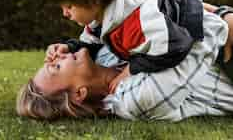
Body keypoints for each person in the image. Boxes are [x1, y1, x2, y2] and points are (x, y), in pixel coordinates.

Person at [43, 0, 233, 90]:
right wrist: (68, 47)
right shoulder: (103, 17)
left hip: (207, 29)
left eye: (69, 6)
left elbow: (176, 45)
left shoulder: (136, 21)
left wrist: (131, 69)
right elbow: (91, 43)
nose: (65, 14)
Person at [16, 11, 233, 121]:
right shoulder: (135, 98)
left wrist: (68, 45)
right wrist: (223, 13)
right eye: (55, 68)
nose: (56, 59)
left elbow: (99, 25)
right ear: (79, 93)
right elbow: (209, 33)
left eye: (51, 61)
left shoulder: (106, 59)